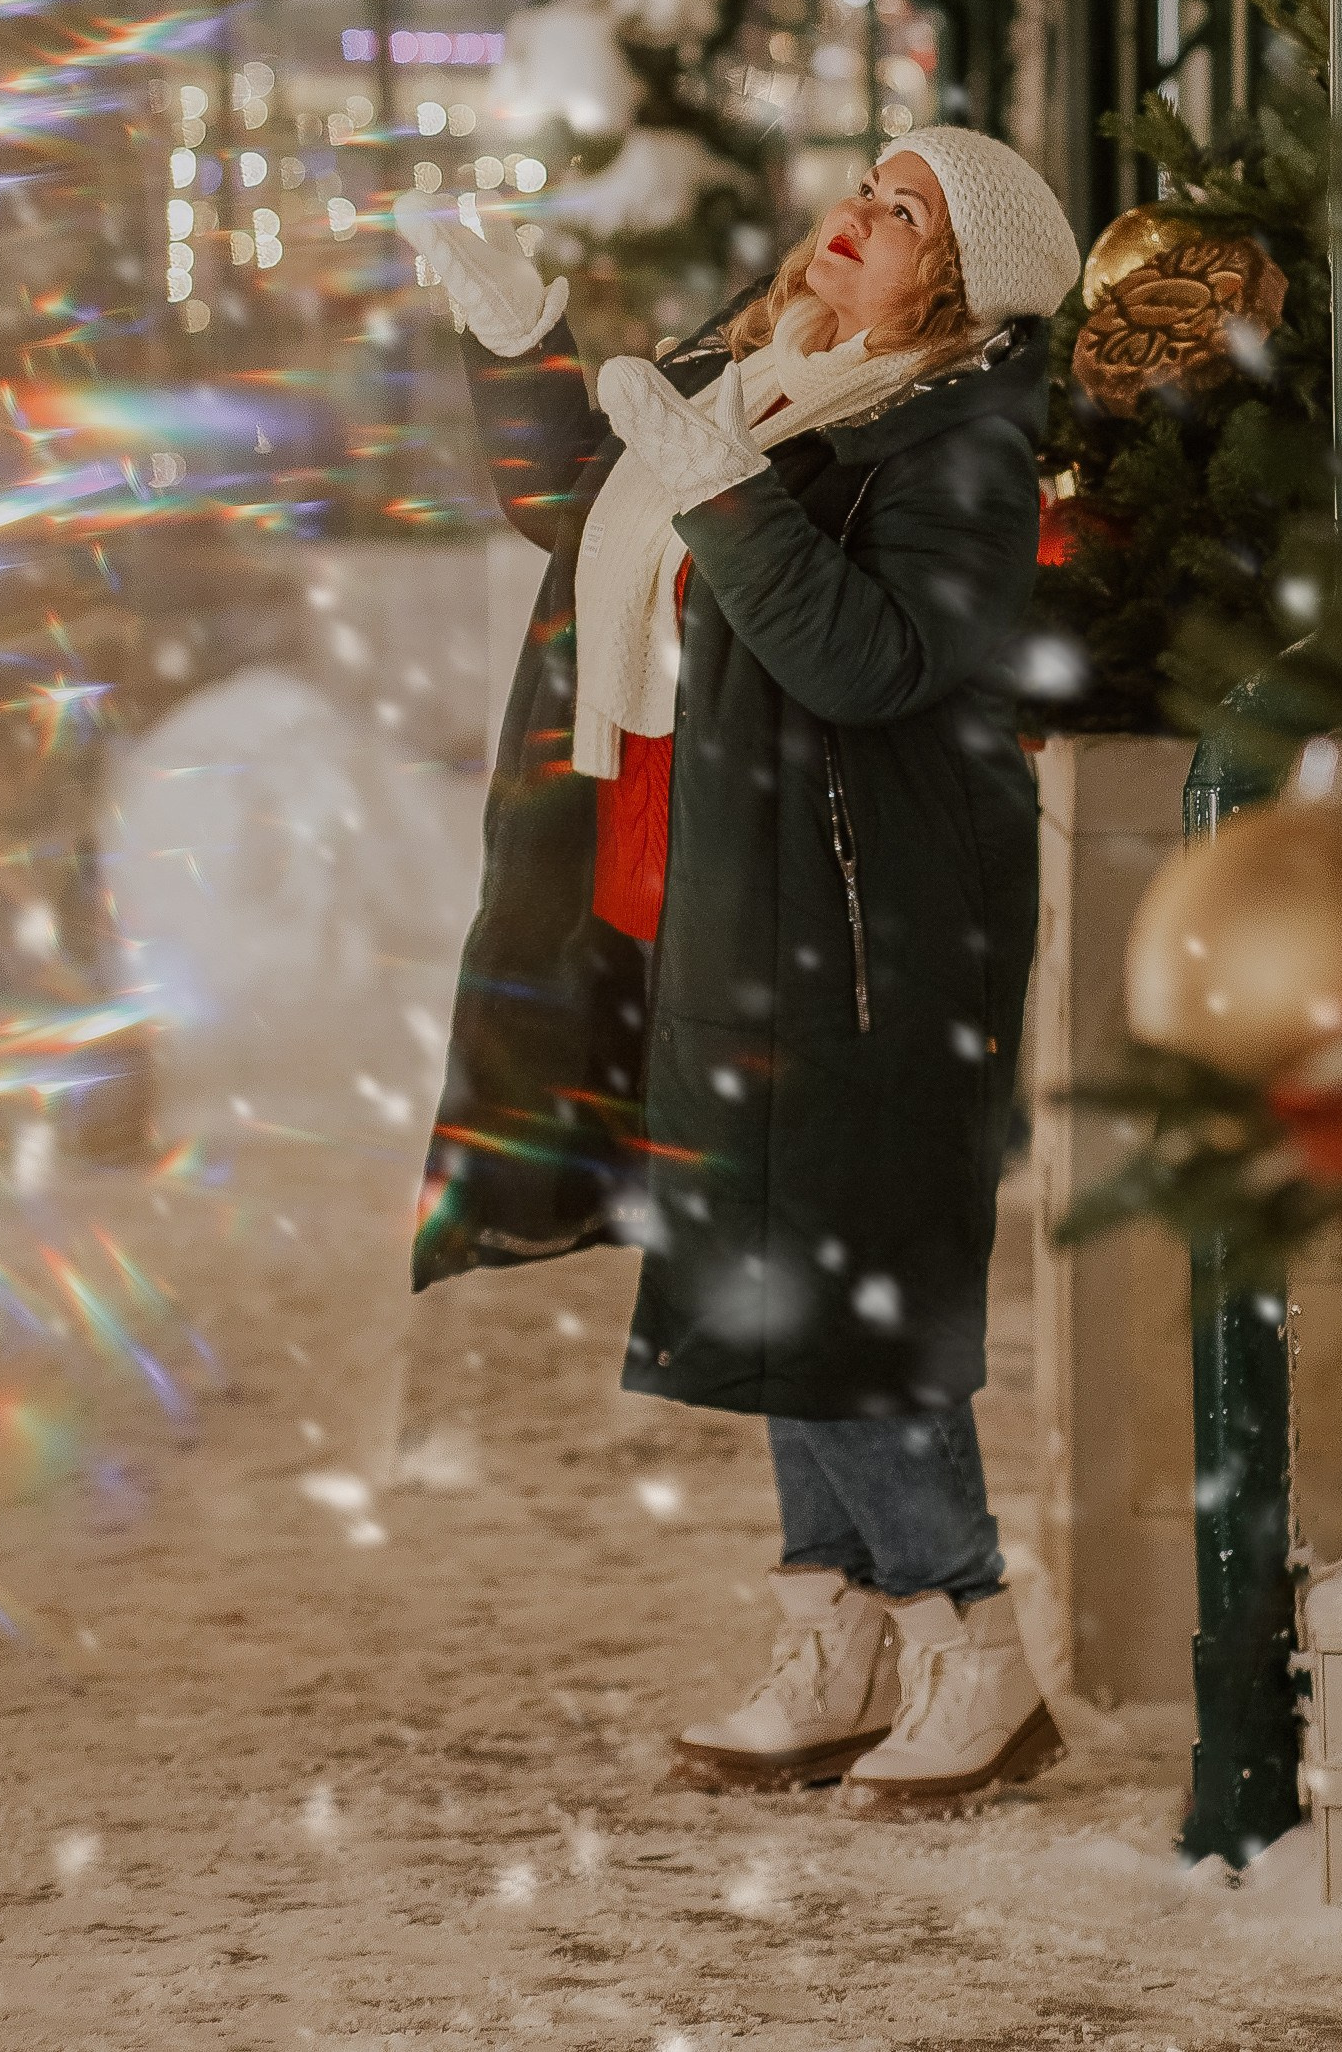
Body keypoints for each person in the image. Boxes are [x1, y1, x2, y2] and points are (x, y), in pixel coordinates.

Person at [397, 129, 1081, 1814]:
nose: (854, 213)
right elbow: (589, 508)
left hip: (853, 931)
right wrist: (514, 353)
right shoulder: (756, 372)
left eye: (902, 212)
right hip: (685, 900)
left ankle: (975, 1647)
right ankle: (834, 1636)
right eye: (865, 183)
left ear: (962, 288)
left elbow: (871, 663)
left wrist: (727, 487)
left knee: (835, 1284)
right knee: (768, 1269)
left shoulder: (959, 437)